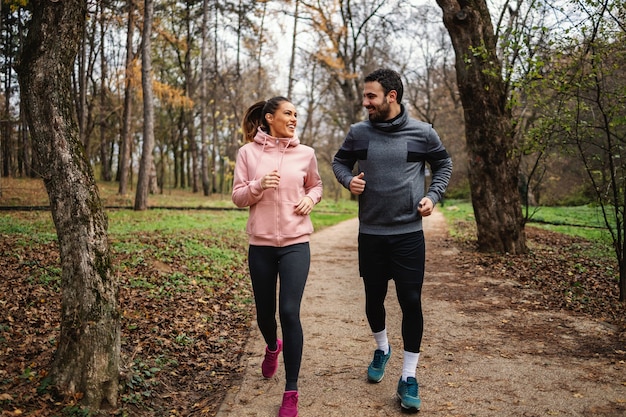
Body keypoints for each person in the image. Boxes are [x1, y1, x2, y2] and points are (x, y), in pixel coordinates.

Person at [332, 68, 452, 412]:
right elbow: (340, 162)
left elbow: (443, 164)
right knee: (374, 298)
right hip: (371, 234)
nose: (365, 101)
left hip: (408, 235)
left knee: (411, 301)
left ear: (391, 96)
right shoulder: (359, 133)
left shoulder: (422, 133)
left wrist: (434, 194)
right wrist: (348, 180)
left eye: (370, 96)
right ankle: (382, 348)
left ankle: (408, 376)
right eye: (365, 96)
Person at [232, 96, 323, 417]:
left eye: (297, 114)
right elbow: (237, 197)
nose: (294, 118)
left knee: (289, 312)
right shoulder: (247, 153)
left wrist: (311, 200)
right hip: (261, 245)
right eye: (288, 113)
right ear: (270, 118)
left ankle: (291, 390)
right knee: (265, 314)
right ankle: (272, 346)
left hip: (297, 242)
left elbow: (316, 185)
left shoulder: (306, 153)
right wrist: (257, 185)